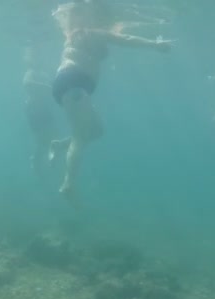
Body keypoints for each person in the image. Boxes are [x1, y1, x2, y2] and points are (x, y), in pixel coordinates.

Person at [49, 0, 172, 205]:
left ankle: (61, 144)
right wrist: (155, 45)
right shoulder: (90, 32)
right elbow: (126, 38)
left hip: (74, 85)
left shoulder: (77, 34)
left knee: (96, 131)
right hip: (73, 82)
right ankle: (67, 184)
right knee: (81, 137)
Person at [22, 47, 56, 175]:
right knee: (41, 139)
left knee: (52, 134)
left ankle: (47, 157)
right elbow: (27, 84)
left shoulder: (43, 74)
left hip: (44, 108)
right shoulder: (30, 72)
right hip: (33, 110)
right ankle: (36, 159)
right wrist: (47, 88)